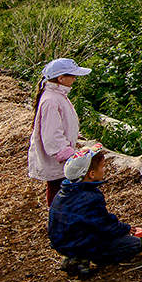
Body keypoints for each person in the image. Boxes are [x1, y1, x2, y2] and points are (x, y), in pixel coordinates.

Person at [48, 145, 142, 278]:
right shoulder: (91, 198)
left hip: (61, 243)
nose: (104, 170)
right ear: (91, 174)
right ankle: (87, 257)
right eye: (102, 167)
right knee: (134, 244)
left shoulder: (63, 192)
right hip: (81, 242)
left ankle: (75, 256)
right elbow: (104, 224)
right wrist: (125, 229)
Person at [28, 58, 92, 207]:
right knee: (58, 195)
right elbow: (51, 136)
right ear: (61, 78)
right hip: (58, 161)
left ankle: (61, 223)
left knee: (62, 195)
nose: (75, 78)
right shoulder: (51, 100)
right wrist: (68, 155)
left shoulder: (57, 96)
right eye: (72, 75)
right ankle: (58, 225)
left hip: (61, 159)